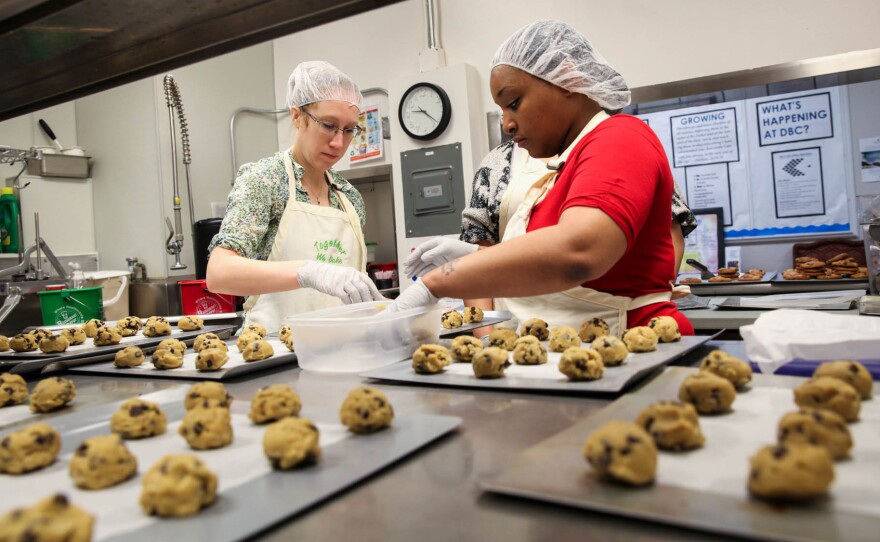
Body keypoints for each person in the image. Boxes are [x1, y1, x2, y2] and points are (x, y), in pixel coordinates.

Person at [393, 20, 694, 336]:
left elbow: (578, 251)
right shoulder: (564, 164)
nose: (507, 124)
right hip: (568, 357)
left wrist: (436, 283)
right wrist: (477, 255)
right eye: (501, 111)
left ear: (566, 79)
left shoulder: (621, 138)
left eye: (513, 103)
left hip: (626, 351)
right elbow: (544, 260)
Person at [207, 60, 383, 332]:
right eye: (328, 125)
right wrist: (308, 272)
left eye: (349, 130)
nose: (338, 142)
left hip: (340, 350)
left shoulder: (349, 197)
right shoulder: (265, 180)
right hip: (272, 351)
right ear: (297, 116)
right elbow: (219, 274)